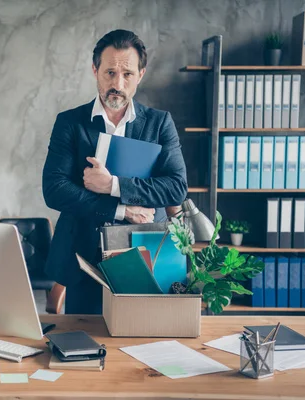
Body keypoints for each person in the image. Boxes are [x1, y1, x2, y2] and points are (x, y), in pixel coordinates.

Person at [42, 29, 187, 314]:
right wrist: (121, 209)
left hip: (147, 254)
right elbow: (54, 190)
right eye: (109, 72)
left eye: (127, 74)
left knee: (144, 343)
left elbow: (175, 187)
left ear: (140, 75)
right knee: (84, 345)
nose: (117, 84)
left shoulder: (160, 123)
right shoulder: (69, 123)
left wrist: (113, 185)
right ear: (95, 70)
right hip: (84, 256)